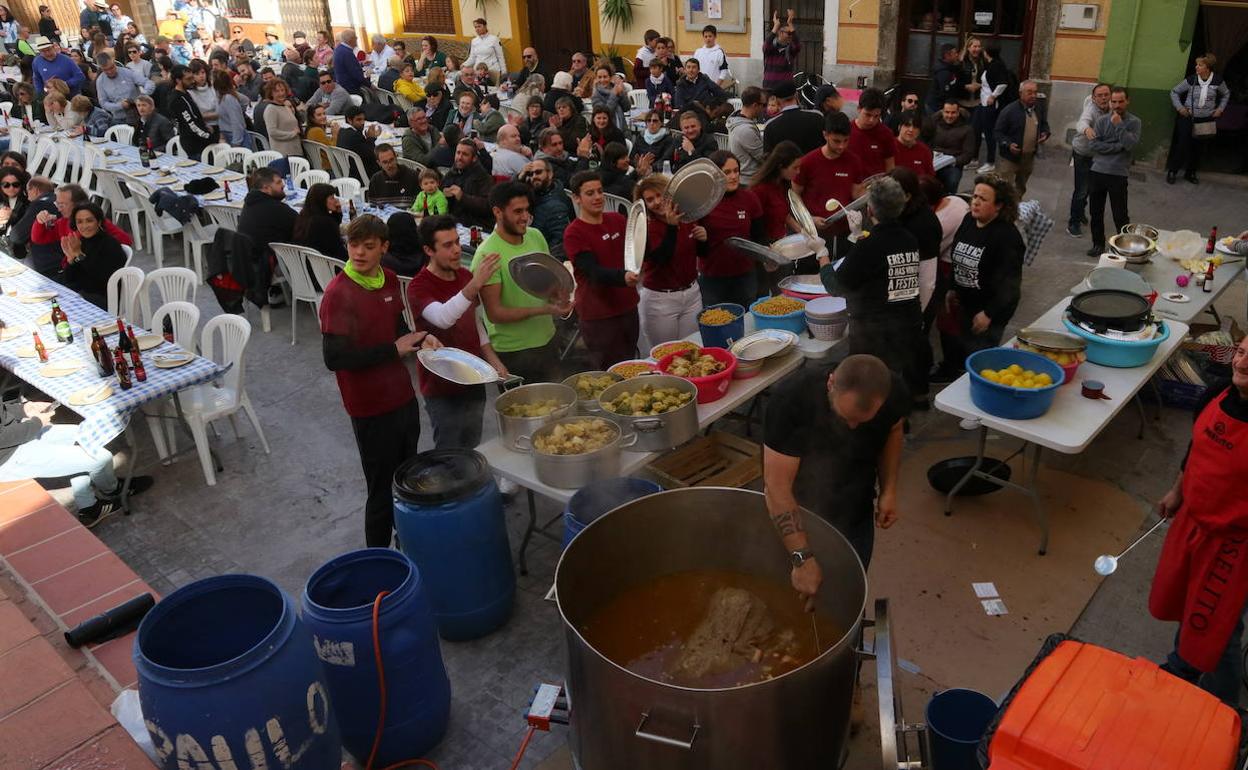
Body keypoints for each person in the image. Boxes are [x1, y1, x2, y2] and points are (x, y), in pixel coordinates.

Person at [320, 215, 440, 547]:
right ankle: (376, 558)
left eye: (368, 246)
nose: (358, 253)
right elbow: (335, 358)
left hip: (401, 396)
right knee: (380, 489)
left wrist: (419, 337)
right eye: (353, 245)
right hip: (369, 407)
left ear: (384, 248)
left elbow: (397, 327)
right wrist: (392, 350)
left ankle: (408, 539)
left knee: (408, 475)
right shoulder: (338, 294)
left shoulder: (387, 279)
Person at [1149, 336, 1248, 708]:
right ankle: (1184, 667)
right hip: (1193, 520)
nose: (1242, 363)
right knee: (1188, 601)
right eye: (1240, 352)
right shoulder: (1218, 393)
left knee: (1219, 631)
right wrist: (1178, 491)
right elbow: (1195, 449)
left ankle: (1225, 712)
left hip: (1235, 545)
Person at [763, 353, 908, 589]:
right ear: (831, 383)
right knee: (786, 593)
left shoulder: (893, 391)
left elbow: (894, 430)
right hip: (798, 511)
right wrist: (801, 558)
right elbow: (777, 488)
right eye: (847, 417)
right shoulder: (791, 399)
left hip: (856, 511)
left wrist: (889, 490)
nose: (852, 427)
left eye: (862, 421)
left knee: (848, 588)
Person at [820, 176, 927, 405]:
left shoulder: (871, 245)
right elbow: (879, 269)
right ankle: (897, 418)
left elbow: (836, 286)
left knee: (870, 386)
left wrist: (822, 254)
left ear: (869, 209)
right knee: (895, 379)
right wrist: (857, 235)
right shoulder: (909, 239)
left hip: (875, 334)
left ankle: (877, 423)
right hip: (908, 325)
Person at [410, 215, 507, 448]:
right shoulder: (418, 286)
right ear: (428, 250)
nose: (456, 250)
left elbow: (476, 323)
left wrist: (494, 361)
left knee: (473, 445)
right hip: (441, 386)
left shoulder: (464, 275)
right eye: (447, 245)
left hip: (473, 379)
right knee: (449, 452)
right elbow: (443, 318)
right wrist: (475, 285)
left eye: (456, 242)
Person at [471, 181, 570, 382]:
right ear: (498, 212)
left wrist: (559, 296)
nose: (525, 217)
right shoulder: (487, 255)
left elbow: (546, 284)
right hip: (514, 353)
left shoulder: (536, 236)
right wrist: (546, 310)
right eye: (517, 211)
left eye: (527, 210)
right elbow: (495, 313)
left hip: (548, 340)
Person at [0, 407, 154, 527]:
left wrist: (23, 409)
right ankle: (112, 489)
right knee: (101, 458)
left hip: (17, 439)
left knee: (84, 435)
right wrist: (36, 422)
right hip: (9, 457)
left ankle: (89, 507)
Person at [940, 173, 1024, 370]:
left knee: (981, 358)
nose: (975, 203)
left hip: (991, 308)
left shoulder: (1007, 237)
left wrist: (989, 314)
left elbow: (1010, 285)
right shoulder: (969, 220)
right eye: (974, 197)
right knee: (964, 345)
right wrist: (952, 287)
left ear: (999, 206)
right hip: (967, 302)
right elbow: (956, 256)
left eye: (983, 199)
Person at [565, 170, 640, 368]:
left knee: (631, 364)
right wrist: (623, 277)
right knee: (611, 371)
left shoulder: (617, 219)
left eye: (600, 191)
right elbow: (592, 271)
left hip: (628, 307)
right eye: (590, 193)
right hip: (599, 316)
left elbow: (637, 250)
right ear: (576, 198)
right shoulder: (574, 232)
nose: (598, 197)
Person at [635, 174, 702, 343]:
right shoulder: (648, 228)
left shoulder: (687, 218)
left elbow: (698, 253)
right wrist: (671, 228)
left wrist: (704, 238)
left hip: (691, 293)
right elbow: (660, 259)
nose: (656, 202)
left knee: (691, 347)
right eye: (650, 200)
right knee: (664, 353)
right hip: (661, 299)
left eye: (659, 195)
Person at [697, 151, 765, 307]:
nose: (733, 176)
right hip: (712, 278)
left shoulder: (749, 198)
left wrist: (767, 258)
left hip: (745, 276)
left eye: (736, 171)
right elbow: (698, 248)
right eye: (727, 172)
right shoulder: (703, 201)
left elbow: (758, 237)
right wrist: (702, 239)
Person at [794, 111, 866, 253]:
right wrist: (810, 219)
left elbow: (857, 193)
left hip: (844, 232)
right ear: (825, 135)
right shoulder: (808, 162)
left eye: (846, 141)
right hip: (814, 234)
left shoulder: (854, 161)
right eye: (837, 141)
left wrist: (870, 194)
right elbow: (794, 197)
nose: (842, 146)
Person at [1086, 87, 1141, 258]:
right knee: (1096, 211)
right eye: (1114, 102)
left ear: (1127, 101)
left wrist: (1119, 126)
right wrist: (1117, 147)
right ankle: (1097, 243)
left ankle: (1123, 245)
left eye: (1120, 102)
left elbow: (1130, 144)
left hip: (1118, 173)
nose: (1117, 105)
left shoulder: (1134, 122)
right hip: (1098, 171)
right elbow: (1094, 145)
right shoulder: (1102, 121)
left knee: (1120, 214)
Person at [1166, 54, 1229, 185]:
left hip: (1206, 119)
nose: (1197, 67)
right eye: (1197, 64)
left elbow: (1226, 94)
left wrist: (1220, 109)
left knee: (1198, 148)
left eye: (1200, 65)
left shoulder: (1217, 81)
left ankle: (1191, 173)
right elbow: (1174, 92)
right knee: (1182, 145)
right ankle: (1172, 171)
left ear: (1208, 68)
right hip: (1188, 118)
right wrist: (1180, 108)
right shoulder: (1191, 80)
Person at [59, 201, 126, 307]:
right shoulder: (82, 242)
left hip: (104, 298)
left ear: (98, 222)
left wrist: (79, 254)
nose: (84, 226)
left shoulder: (110, 244)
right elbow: (69, 279)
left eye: (89, 221)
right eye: (80, 222)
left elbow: (100, 280)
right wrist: (71, 259)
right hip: (84, 293)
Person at [1067, 83, 1110, 238]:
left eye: (1106, 94)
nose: (1104, 98)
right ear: (1093, 98)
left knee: (1092, 188)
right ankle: (1073, 223)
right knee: (1081, 189)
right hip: (1082, 153)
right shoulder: (1091, 110)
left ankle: (1080, 211)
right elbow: (1082, 122)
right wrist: (1087, 129)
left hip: (1098, 155)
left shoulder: (1113, 108)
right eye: (1100, 95)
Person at [238, 167, 298, 277]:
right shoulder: (276, 208)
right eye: (278, 182)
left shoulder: (249, 203)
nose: (283, 185)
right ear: (266, 188)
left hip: (246, 264)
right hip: (266, 267)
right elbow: (302, 225)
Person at [993, 80, 1048, 198]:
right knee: (1004, 187)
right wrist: (1008, 144)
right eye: (1029, 92)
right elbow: (998, 132)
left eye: (1035, 92)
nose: (1033, 95)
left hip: (1028, 157)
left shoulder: (1039, 108)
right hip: (1010, 158)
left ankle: (1016, 206)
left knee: (1021, 186)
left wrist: (1045, 133)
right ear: (1020, 93)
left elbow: (1043, 124)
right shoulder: (1009, 111)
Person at [750, 140, 803, 242]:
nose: (798, 171)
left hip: (781, 239)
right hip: (768, 245)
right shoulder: (760, 190)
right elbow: (754, 225)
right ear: (780, 167)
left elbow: (784, 214)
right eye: (795, 168)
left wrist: (803, 232)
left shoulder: (782, 184)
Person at [524, 158, 574, 260]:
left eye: (538, 172)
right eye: (530, 174)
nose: (534, 177)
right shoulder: (535, 194)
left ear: (550, 174)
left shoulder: (556, 206)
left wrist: (542, 260)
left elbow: (560, 243)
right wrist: (519, 177)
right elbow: (509, 196)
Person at [441, 139, 493, 229]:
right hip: (452, 221)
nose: (460, 157)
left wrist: (463, 197)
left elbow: (487, 206)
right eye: (458, 153)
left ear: (474, 158)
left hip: (474, 226)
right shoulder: (452, 172)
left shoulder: (483, 177)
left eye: (465, 154)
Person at [10, 176, 57, 271]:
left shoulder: (40, 204)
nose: (28, 197)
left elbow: (17, 236)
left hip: (46, 262)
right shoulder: (60, 202)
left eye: (27, 192)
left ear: (35, 190)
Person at [763, 80, 824, 155]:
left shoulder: (770, 125)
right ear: (796, 95)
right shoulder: (817, 117)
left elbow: (768, 156)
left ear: (777, 100)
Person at [290, 182, 347, 260]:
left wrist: (337, 213)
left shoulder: (304, 216)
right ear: (322, 201)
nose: (336, 200)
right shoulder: (325, 222)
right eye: (332, 198)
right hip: (326, 265)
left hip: (305, 263)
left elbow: (333, 229)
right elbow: (339, 251)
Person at [168, 63, 214, 159]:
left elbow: (195, 115)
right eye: (188, 79)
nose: (192, 81)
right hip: (195, 144)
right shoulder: (177, 99)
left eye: (192, 78)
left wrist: (205, 126)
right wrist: (210, 137)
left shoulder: (185, 93)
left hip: (199, 139)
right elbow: (191, 124)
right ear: (178, 80)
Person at [930, 100, 975, 194]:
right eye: (947, 112)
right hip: (933, 160)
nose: (950, 116)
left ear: (958, 113)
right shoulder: (933, 124)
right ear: (942, 112)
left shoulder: (967, 129)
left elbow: (968, 154)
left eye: (953, 113)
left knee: (952, 181)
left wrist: (954, 161)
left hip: (954, 164)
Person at [849, 88, 895, 177]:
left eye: (876, 116)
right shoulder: (847, 130)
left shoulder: (886, 134)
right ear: (859, 109)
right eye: (868, 115)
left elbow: (890, 166)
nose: (871, 120)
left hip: (876, 186)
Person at [94, 51, 150, 124]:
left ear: (113, 61)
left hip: (137, 113)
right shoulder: (100, 81)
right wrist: (119, 105)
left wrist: (144, 96)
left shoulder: (127, 72)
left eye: (111, 67)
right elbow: (103, 103)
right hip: (119, 118)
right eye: (105, 70)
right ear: (101, 68)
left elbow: (147, 82)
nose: (110, 71)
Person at [726, 86, 766, 185]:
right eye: (763, 105)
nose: (765, 109)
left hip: (745, 177)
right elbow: (763, 157)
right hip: (749, 181)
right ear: (755, 105)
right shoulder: (745, 130)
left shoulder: (736, 120)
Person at [958, 36, 988, 167]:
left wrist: (980, 86)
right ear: (968, 47)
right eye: (974, 46)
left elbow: (989, 81)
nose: (976, 49)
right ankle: (960, 155)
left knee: (975, 130)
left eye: (978, 46)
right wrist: (965, 86)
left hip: (977, 101)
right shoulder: (961, 62)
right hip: (963, 101)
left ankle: (974, 157)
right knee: (961, 129)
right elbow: (956, 82)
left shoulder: (984, 62)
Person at [336, 105, 382, 181]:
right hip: (362, 174)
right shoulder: (354, 136)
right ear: (349, 120)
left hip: (349, 171)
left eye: (363, 119)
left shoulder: (342, 131)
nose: (362, 123)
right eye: (358, 120)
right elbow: (371, 154)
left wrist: (367, 138)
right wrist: (371, 138)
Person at [261, 78, 302, 158]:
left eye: (282, 90)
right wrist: (292, 134)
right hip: (284, 153)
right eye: (277, 91)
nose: (281, 93)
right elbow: (273, 132)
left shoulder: (285, 107)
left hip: (295, 150)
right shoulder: (271, 109)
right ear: (271, 93)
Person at [762, 8, 800, 91]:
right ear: (780, 32)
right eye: (788, 33)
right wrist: (775, 26)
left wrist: (790, 23)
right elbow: (766, 45)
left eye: (791, 34)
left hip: (785, 88)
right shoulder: (771, 48)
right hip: (770, 86)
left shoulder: (790, 50)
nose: (791, 35)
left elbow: (797, 46)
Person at [213, 70, 250, 148]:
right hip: (227, 135)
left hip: (235, 137)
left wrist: (236, 143)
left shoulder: (229, 98)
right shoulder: (219, 96)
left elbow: (236, 122)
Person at [926, 44, 965, 115]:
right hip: (936, 107)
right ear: (947, 55)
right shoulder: (943, 72)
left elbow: (955, 71)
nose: (957, 55)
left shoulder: (949, 67)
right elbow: (946, 92)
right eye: (955, 53)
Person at [893, 111, 934, 178]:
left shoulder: (925, 151)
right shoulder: (889, 146)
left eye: (915, 127)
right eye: (907, 125)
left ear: (919, 131)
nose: (911, 130)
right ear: (899, 127)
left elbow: (930, 177)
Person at [693, 24, 733, 90]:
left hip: (713, 87)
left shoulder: (719, 52)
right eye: (705, 36)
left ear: (715, 36)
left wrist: (715, 87)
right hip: (699, 88)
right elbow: (694, 69)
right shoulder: (698, 52)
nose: (708, 39)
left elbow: (724, 71)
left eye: (710, 36)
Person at [591, 67, 630, 133]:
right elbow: (606, 113)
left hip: (622, 128)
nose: (602, 80)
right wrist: (614, 95)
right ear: (596, 79)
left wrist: (621, 93)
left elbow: (627, 107)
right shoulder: (596, 95)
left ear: (610, 78)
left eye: (605, 77)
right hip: (607, 131)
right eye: (599, 77)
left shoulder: (616, 89)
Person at [333, 29, 367, 95]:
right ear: (350, 40)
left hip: (342, 85)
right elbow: (355, 73)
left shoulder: (339, 49)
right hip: (350, 87)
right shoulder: (347, 52)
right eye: (355, 37)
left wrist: (361, 64)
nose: (357, 39)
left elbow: (347, 65)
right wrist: (369, 84)